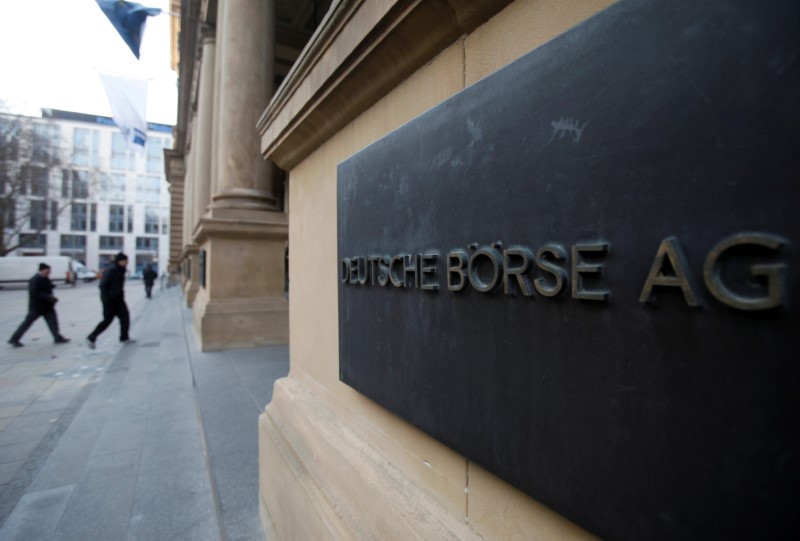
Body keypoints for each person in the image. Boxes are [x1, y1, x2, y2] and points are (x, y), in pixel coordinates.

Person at [8, 263, 70, 347]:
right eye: (48, 271)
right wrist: (48, 297)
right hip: (37, 307)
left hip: (47, 307)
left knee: (53, 322)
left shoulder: (45, 278)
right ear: (42, 270)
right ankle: (14, 339)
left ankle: (57, 337)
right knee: (27, 323)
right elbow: (35, 293)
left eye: (50, 271)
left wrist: (51, 287)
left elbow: (46, 287)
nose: (49, 272)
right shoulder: (34, 279)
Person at [86, 252, 133, 349]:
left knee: (125, 317)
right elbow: (102, 285)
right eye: (125, 261)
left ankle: (124, 337)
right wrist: (108, 298)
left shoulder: (121, 269)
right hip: (110, 300)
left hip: (119, 299)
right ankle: (91, 337)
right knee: (107, 320)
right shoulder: (112, 270)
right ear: (120, 261)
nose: (127, 263)